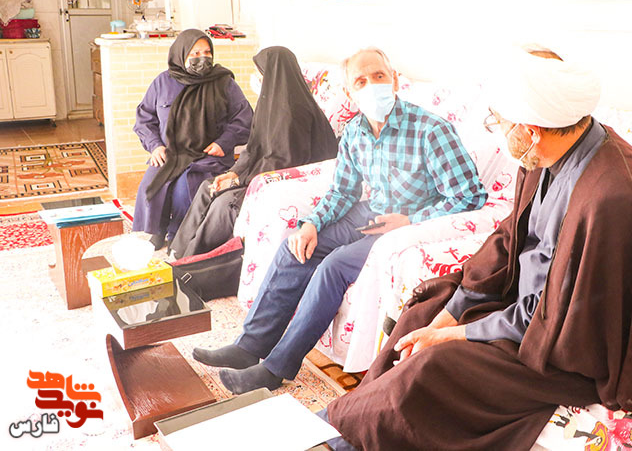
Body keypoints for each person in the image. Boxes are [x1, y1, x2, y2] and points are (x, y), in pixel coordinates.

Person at [319, 48, 632, 450]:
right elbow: (510, 237)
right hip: (531, 309)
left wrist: (457, 336)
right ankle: (343, 425)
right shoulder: (546, 151)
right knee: (423, 313)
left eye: (500, 121)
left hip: (570, 344)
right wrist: (450, 315)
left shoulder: (610, 198)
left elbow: (564, 320)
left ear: (531, 130)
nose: (497, 129)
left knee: (432, 366)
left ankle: (342, 437)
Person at [192, 47, 488, 394]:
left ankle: (274, 369)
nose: (372, 86)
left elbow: (470, 196)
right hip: (371, 213)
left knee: (333, 266)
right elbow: (343, 192)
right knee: (295, 247)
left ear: (394, 80)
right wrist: (312, 223)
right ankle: (248, 347)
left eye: (379, 76)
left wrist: (410, 220)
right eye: (361, 81)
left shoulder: (431, 130)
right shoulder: (355, 133)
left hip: (408, 226)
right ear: (349, 92)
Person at [169, 46, 338, 259]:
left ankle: (193, 260)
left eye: (260, 72)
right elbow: (253, 147)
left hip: (283, 182)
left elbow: (283, 162)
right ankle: (177, 252)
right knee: (207, 187)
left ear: (273, 74)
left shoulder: (294, 113)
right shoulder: (269, 105)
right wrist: (233, 173)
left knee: (225, 205)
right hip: (262, 174)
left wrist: (239, 181)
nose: (257, 78)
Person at [132, 29, 253, 249]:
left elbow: (244, 118)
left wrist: (223, 143)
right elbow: (144, 118)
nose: (202, 58)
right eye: (195, 53)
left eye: (207, 52)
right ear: (181, 53)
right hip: (170, 153)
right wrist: (155, 146)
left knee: (184, 190)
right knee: (153, 185)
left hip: (207, 155)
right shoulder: (163, 82)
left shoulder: (224, 82)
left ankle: (179, 234)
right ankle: (158, 229)